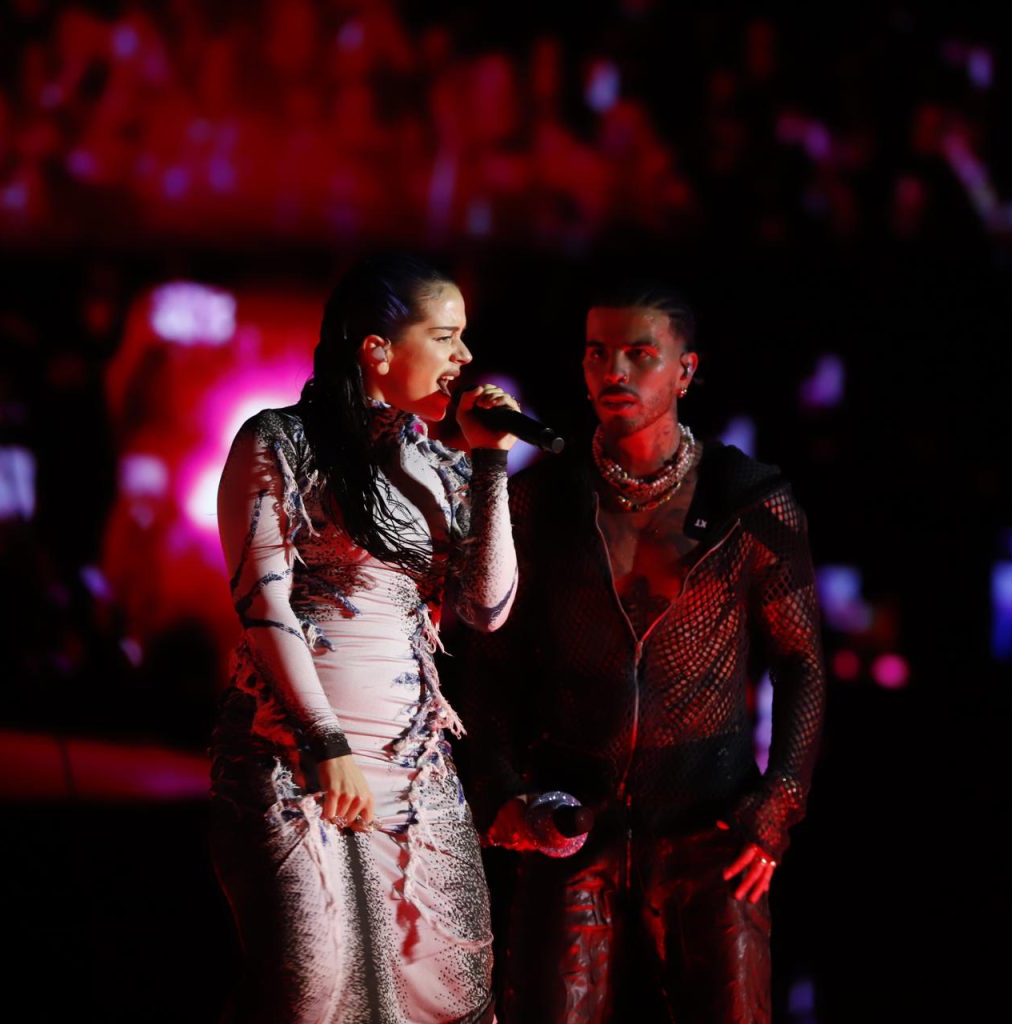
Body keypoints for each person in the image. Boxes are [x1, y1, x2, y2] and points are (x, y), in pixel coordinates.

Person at [460, 282, 826, 1023]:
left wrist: (778, 802)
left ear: (685, 371)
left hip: (709, 826)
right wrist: (502, 794)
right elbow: (484, 664)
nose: (613, 372)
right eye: (597, 353)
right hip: (569, 823)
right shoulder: (543, 501)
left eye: (639, 355)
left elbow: (802, 662)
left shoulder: (749, 499)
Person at [209, 254, 521, 1024]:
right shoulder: (277, 442)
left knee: (446, 993)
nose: (465, 359)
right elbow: (263, 602)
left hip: (413, 772)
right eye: (446, 337)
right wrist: (324, 740)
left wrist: (489, 465)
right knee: (311, 992)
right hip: (290, 759)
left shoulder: (441, 468)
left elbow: (487, 609)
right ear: (377, 349)